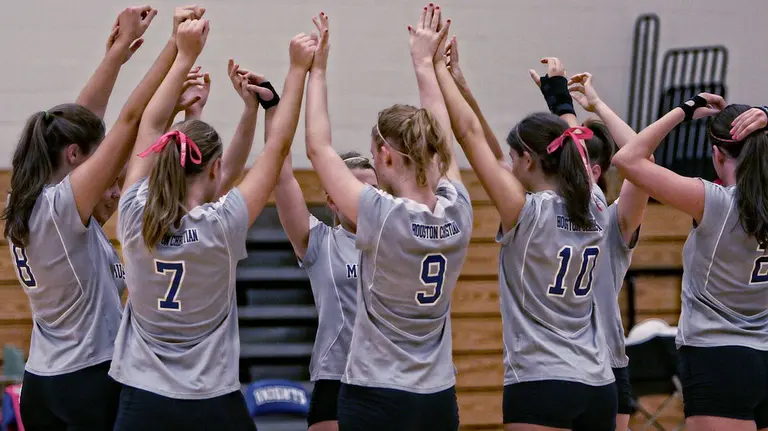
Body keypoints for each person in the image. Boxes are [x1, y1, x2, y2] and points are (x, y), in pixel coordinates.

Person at [109, 15, 317, 429]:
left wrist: (184, 55)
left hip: (142, 397)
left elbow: (150, 123)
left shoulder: (133, 212)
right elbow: (274, 153)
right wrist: (293, 76)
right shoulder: (221, 225)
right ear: (214, 170)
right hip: (211, 398)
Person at [2, 5, 192, 429]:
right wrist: (177, 49)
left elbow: (80, 119)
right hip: (87, 381)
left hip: (43, 381)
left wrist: (117, 52)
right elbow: (128, 119)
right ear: (74, 157)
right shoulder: (61, 209)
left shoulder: (25, 197)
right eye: (95, 159)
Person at [303, 8, 472, 431]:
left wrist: (317, 71)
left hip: (376, 393)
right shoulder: (459, 207)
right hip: (436, 397)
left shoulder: (380, 214)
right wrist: (425, 64)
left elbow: (318, 149)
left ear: (384, 156)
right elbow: (444, 139)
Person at [439, 40, 619, 429]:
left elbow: (470, 137)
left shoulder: (525, 211)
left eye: (513, 157)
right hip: (598, 384)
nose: (507, 164)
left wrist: (436, 70)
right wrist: (464, 85)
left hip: (542, 380)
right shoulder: (597, 201)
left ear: (528, 161)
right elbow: (570, 136)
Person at [613, 95, 768, 431]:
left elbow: (628, 159)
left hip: (717, 357)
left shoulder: (713, 201)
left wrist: (684, 110)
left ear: (716, 154)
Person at [274, 149, 377, 431]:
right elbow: (282, 180)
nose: (365, 198)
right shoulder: (321, 243)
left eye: (374, 190)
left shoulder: (397, 239)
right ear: (332, 199)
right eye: (354, 189)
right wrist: (274, 112)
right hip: (337, 377)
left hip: (388, 376)